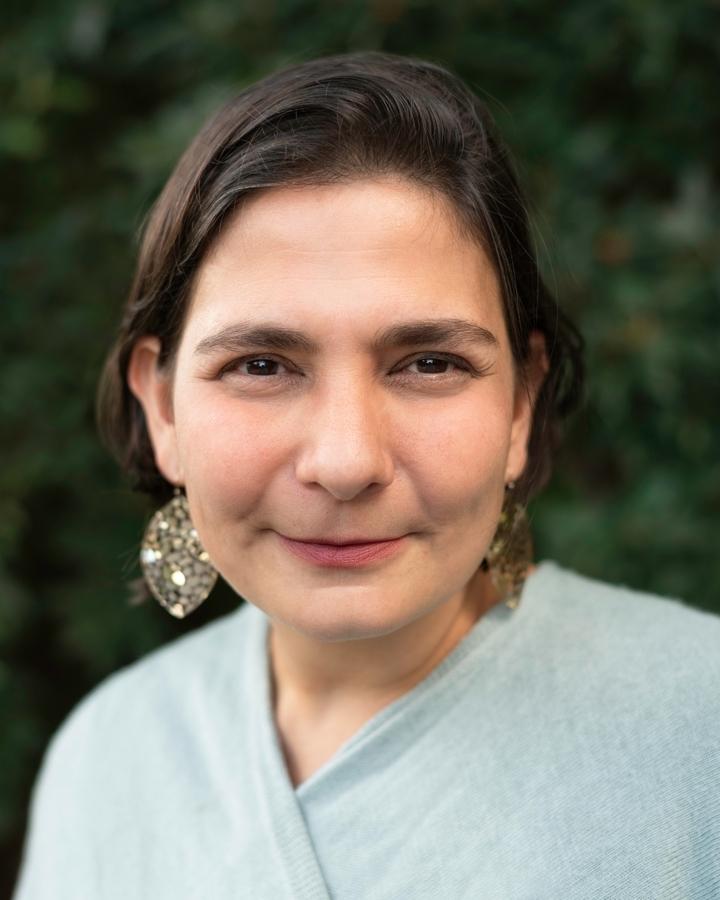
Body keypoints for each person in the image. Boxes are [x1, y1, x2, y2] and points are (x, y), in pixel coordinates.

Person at [12, 51, 720, 899]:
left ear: (521, 407)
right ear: (162, 410)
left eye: (427, 363)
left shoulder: (697, 729)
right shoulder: (107, 760)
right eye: (263, 365)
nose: (346, 462)